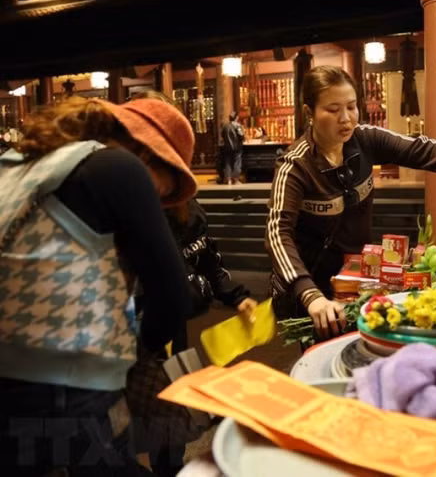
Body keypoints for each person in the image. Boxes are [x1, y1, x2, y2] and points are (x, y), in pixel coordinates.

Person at [0, 96, 195, 476]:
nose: (156, 203)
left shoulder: (21, 166)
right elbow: (174, 300)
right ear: (147, 155)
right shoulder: (119, 167)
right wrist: (138, 348)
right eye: (160, 192)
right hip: (67, 392)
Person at [266, 66, 436, 339]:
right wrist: (310, 294)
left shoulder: (364, 139)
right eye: (333, 109)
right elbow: (278, 233)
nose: (346, 118)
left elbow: (419, 148)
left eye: (351, 106)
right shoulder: (295, 166)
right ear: (308, 113)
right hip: (313, 289)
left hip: (357, 281)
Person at [124, 91, 257, 477]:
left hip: (171, 333)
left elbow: (208, 257)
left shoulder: (186, 205)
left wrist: (236, 296)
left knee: (172, 422)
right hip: (131, 337)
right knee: (121, 429)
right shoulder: (118, 210)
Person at [221, 109, 244, 184]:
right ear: (236, 117)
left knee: (228, 162)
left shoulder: (225, 126)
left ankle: (228, 179)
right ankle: (235, 178)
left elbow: (222, 135)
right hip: (236, 147)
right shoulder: (238, 126)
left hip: (227, 147)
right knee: (237, 162)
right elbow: (241, 135)